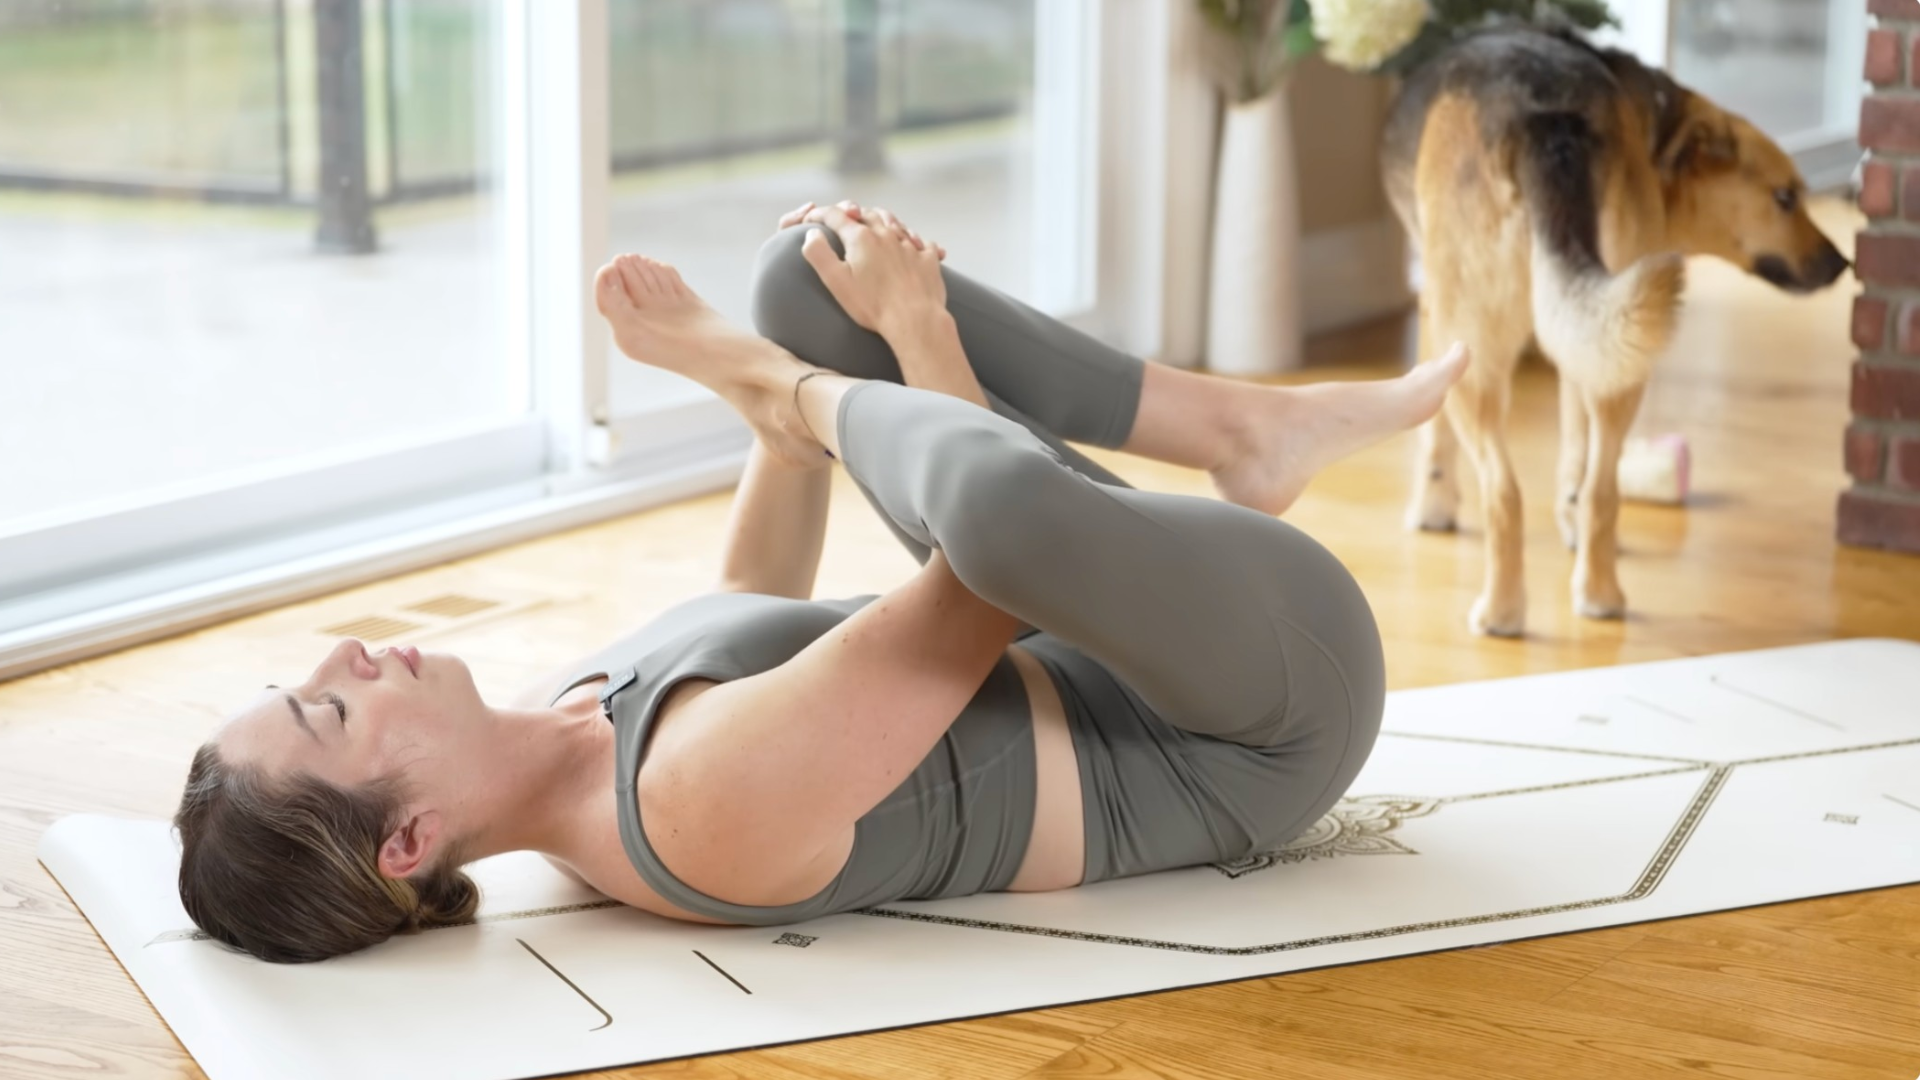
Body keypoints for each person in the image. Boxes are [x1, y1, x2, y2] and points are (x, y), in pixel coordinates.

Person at [175, 201, 1469, 963]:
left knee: (806, 279)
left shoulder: (559, 717)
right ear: (406, 843)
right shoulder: (689, 813)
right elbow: (993, 575)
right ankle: (781, 370)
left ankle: (1243, 428)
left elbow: (747, 602)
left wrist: (780, 433)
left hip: (1128, 623)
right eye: (328, 710)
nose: (344, 659)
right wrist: (884, 347)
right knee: (968, 478)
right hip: (1252, 721)